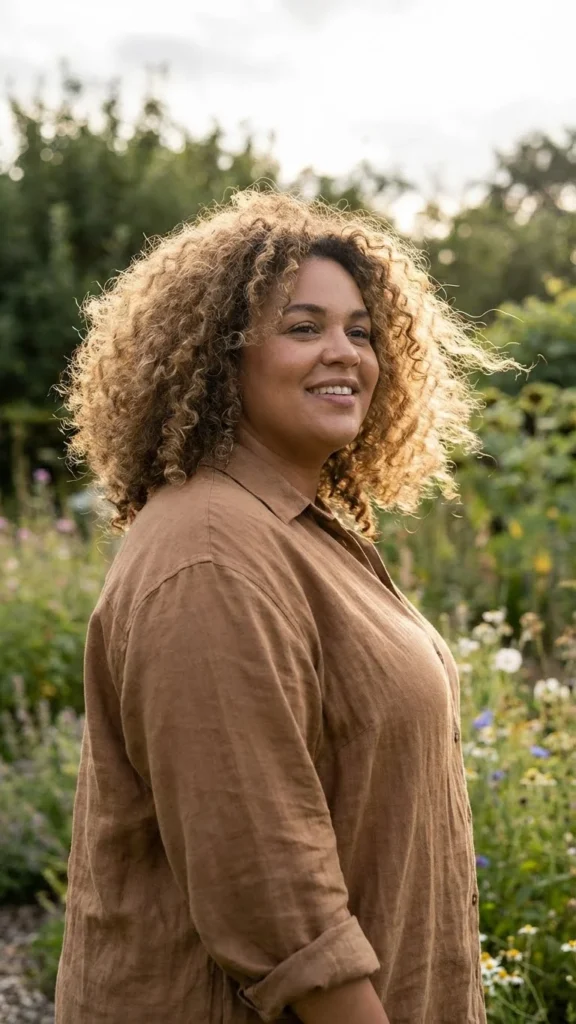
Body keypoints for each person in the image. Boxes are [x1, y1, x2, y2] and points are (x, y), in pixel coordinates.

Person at [53, 188, 517, 1023]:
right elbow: (271, 897)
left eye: (360, 332)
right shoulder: (210, 557)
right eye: (304, 328)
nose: (344, 353)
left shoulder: (289, 526)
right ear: (218, 356)